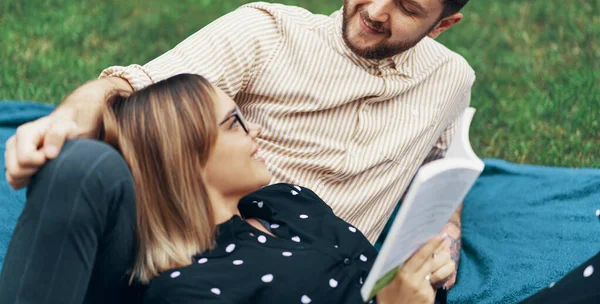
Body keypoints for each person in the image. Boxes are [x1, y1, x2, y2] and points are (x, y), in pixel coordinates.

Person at [4, 0, 491, 293]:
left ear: (443, 25)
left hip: (308, 273)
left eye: (408, 8)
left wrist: (443, 229)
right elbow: (130, 87)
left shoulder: (449, 81)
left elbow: (441, 165)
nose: (377, 11)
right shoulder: (266, 32)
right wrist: (63, 121)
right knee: (85, 164)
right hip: (186, 239)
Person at [1, 74, 456, 304]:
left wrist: (421, 269)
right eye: (235, 122)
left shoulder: (288, 200)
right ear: (188, 155)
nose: (252, 128)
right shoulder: (187, 288)